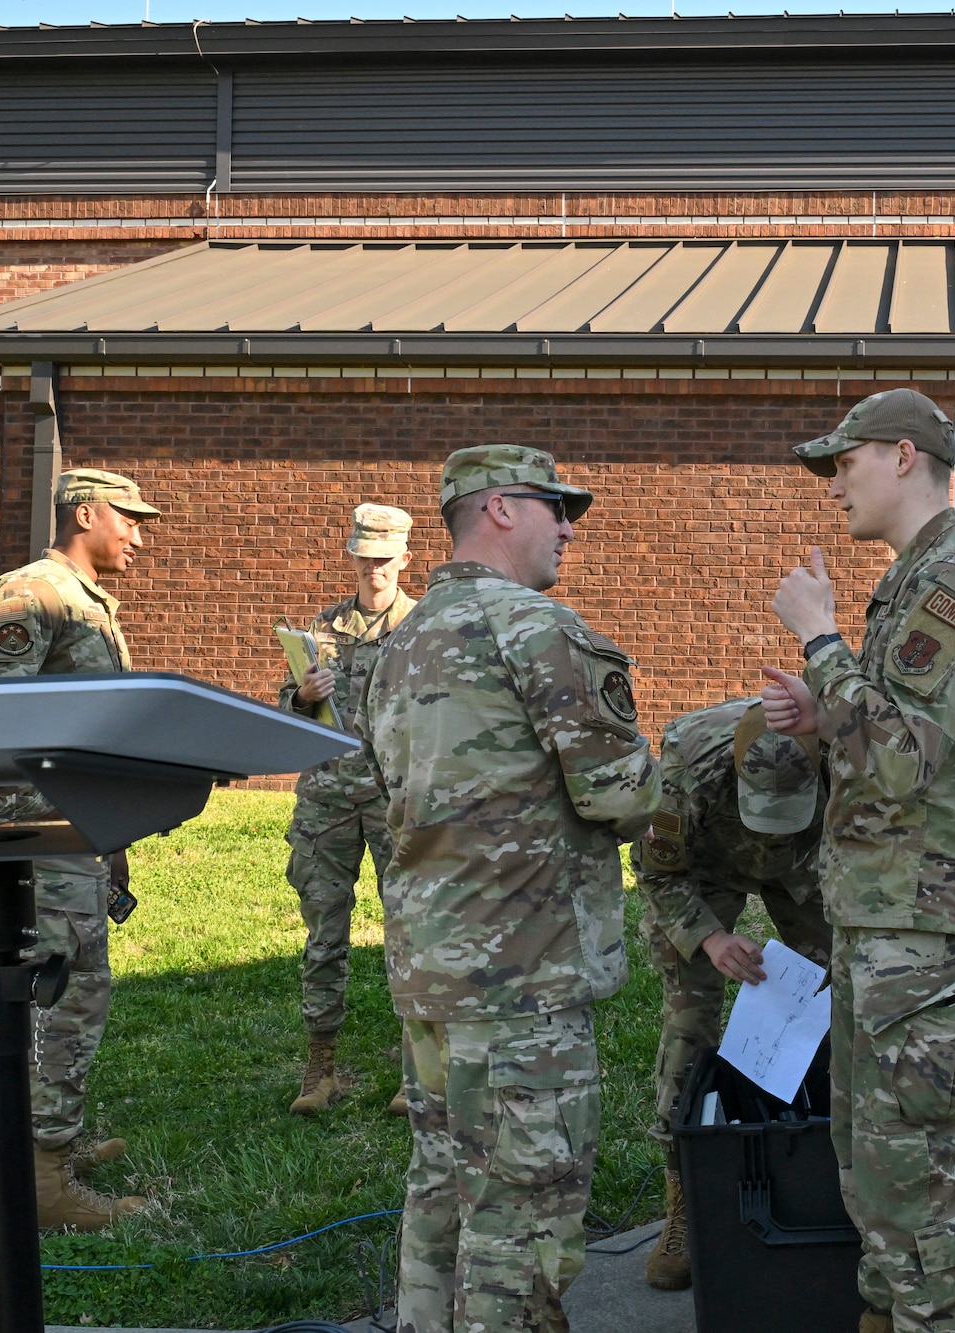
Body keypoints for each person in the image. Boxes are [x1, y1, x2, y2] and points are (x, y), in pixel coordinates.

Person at [361, 445, 660, 1333]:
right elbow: (622, 793)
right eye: (554, 506)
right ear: (497, 508)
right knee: (522, 1217)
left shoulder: (400, 641)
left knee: (442, 1191)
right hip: (523, 984)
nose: (568, 527)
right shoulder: (539, 630)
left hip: (432, 972)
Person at [759, 388, 955, 1333]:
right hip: (889, 923)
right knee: (876, 1173)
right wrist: (825, 708)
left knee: (914, 1195)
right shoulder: (918, 577)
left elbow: (904, 755)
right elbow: (898, 740)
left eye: (845, 461)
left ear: (904, 456)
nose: (834, 484)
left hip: (925, 931)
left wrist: (822, 638)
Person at [0, 467, 161, 1232]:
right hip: (32, 836)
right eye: (129, 520)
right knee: (60, 993)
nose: (139, 536)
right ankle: (40, 1178)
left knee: (77, 984)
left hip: (71, 832)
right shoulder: (31, 592)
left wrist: (106, 834)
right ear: (86, 512)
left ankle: (51, 1142)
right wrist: (47, 830)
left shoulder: (88, 605)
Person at [634, 697, 831, 1292]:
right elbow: (659, 873)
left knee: (841, 994)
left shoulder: (849, 755)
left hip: (806, 864)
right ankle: (684, 1197)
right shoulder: (686, 772)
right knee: (690, 1022)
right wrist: (711, 938)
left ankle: (834, 1162)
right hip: (709, 869)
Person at [280, 503, 418, 1118]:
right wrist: (301, 697)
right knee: (323, 934)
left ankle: (417, 1070)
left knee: (411, 937)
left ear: (405, 561)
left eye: (384, 560)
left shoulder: (423, 627)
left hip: (397, 804)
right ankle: (321, 1068)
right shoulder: (324, 627)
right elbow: (288, 711)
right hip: (328, 801)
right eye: (364, 560)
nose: (374, 571)